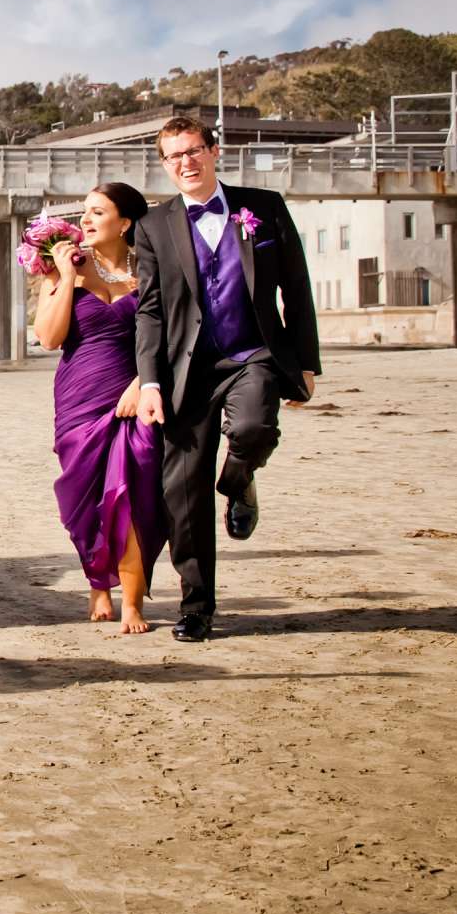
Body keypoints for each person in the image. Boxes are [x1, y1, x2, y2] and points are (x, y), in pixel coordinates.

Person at [134, 118, 320, 643]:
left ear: (214, 151)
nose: (185, 163)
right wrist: (149, 381)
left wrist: (306, 362)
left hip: (252, 353)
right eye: (173, 157)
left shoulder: (262, 207)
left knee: (255, 429)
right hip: (184, 370)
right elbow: (148, 312)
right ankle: (196, 607)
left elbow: (296, 287)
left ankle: (238, 481)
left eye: (193, 151)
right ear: (165, 165)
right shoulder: (152, 226)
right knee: (184, 496)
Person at [32, 184, 165, 635]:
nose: (86, 220)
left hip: (132, 395)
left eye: (98, 212)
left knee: (131, 492)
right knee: (85, 501)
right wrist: (68, 279)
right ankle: (98, 584)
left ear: (125, 223)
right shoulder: (60, 271)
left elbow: (166, 337)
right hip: (78, 401)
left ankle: (130, 601)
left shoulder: (150, 271)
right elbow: (49, 338)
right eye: (84, 212)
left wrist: (141, 383)